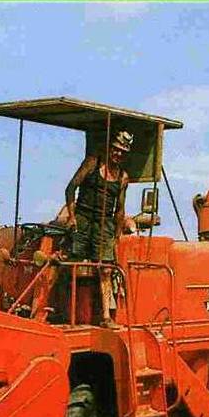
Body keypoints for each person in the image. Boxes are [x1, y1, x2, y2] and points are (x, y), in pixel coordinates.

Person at [64, 130, 133, 327]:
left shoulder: (122, 178)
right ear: (109, 148)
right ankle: (65, 311)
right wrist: (71, 217)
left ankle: (105, 317)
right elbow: (71, 188)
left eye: (122, 152)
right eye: (115, 149)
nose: (118, 154)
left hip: (105, 224)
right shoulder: (92, 163)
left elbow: (119, 209)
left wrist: (116, 234)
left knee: (106, 270)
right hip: (83, 219)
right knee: (70, 264)